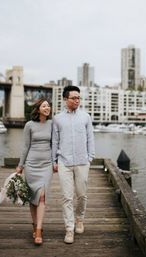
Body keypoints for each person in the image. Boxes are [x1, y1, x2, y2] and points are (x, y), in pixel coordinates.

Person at [52, 85, 95, 244]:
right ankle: (69, 229)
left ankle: (80, 219)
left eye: (78, 98)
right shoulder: (57, 118)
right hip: (64, 162)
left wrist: (90, 157)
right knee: (66, 197)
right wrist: (53, 161)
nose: (77, 100)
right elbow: (55, 141)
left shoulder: (85, 116)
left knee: (82, 195)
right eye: (74, 98)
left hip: (83, 162)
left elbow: (90, 138)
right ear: (65, 99)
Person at [16, 98, 53, 245]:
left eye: (48, 106)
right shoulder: (29, 125)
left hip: (46, 165)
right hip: (31, 165)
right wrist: (20, 165)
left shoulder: (52, 124)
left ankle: (39, 230)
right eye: (44, 106)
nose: (47, 108)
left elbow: (55, 144)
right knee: (33, 198)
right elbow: (25, 147)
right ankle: (34, 224)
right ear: (38, 109)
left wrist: (55, 162)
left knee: (42, 196)